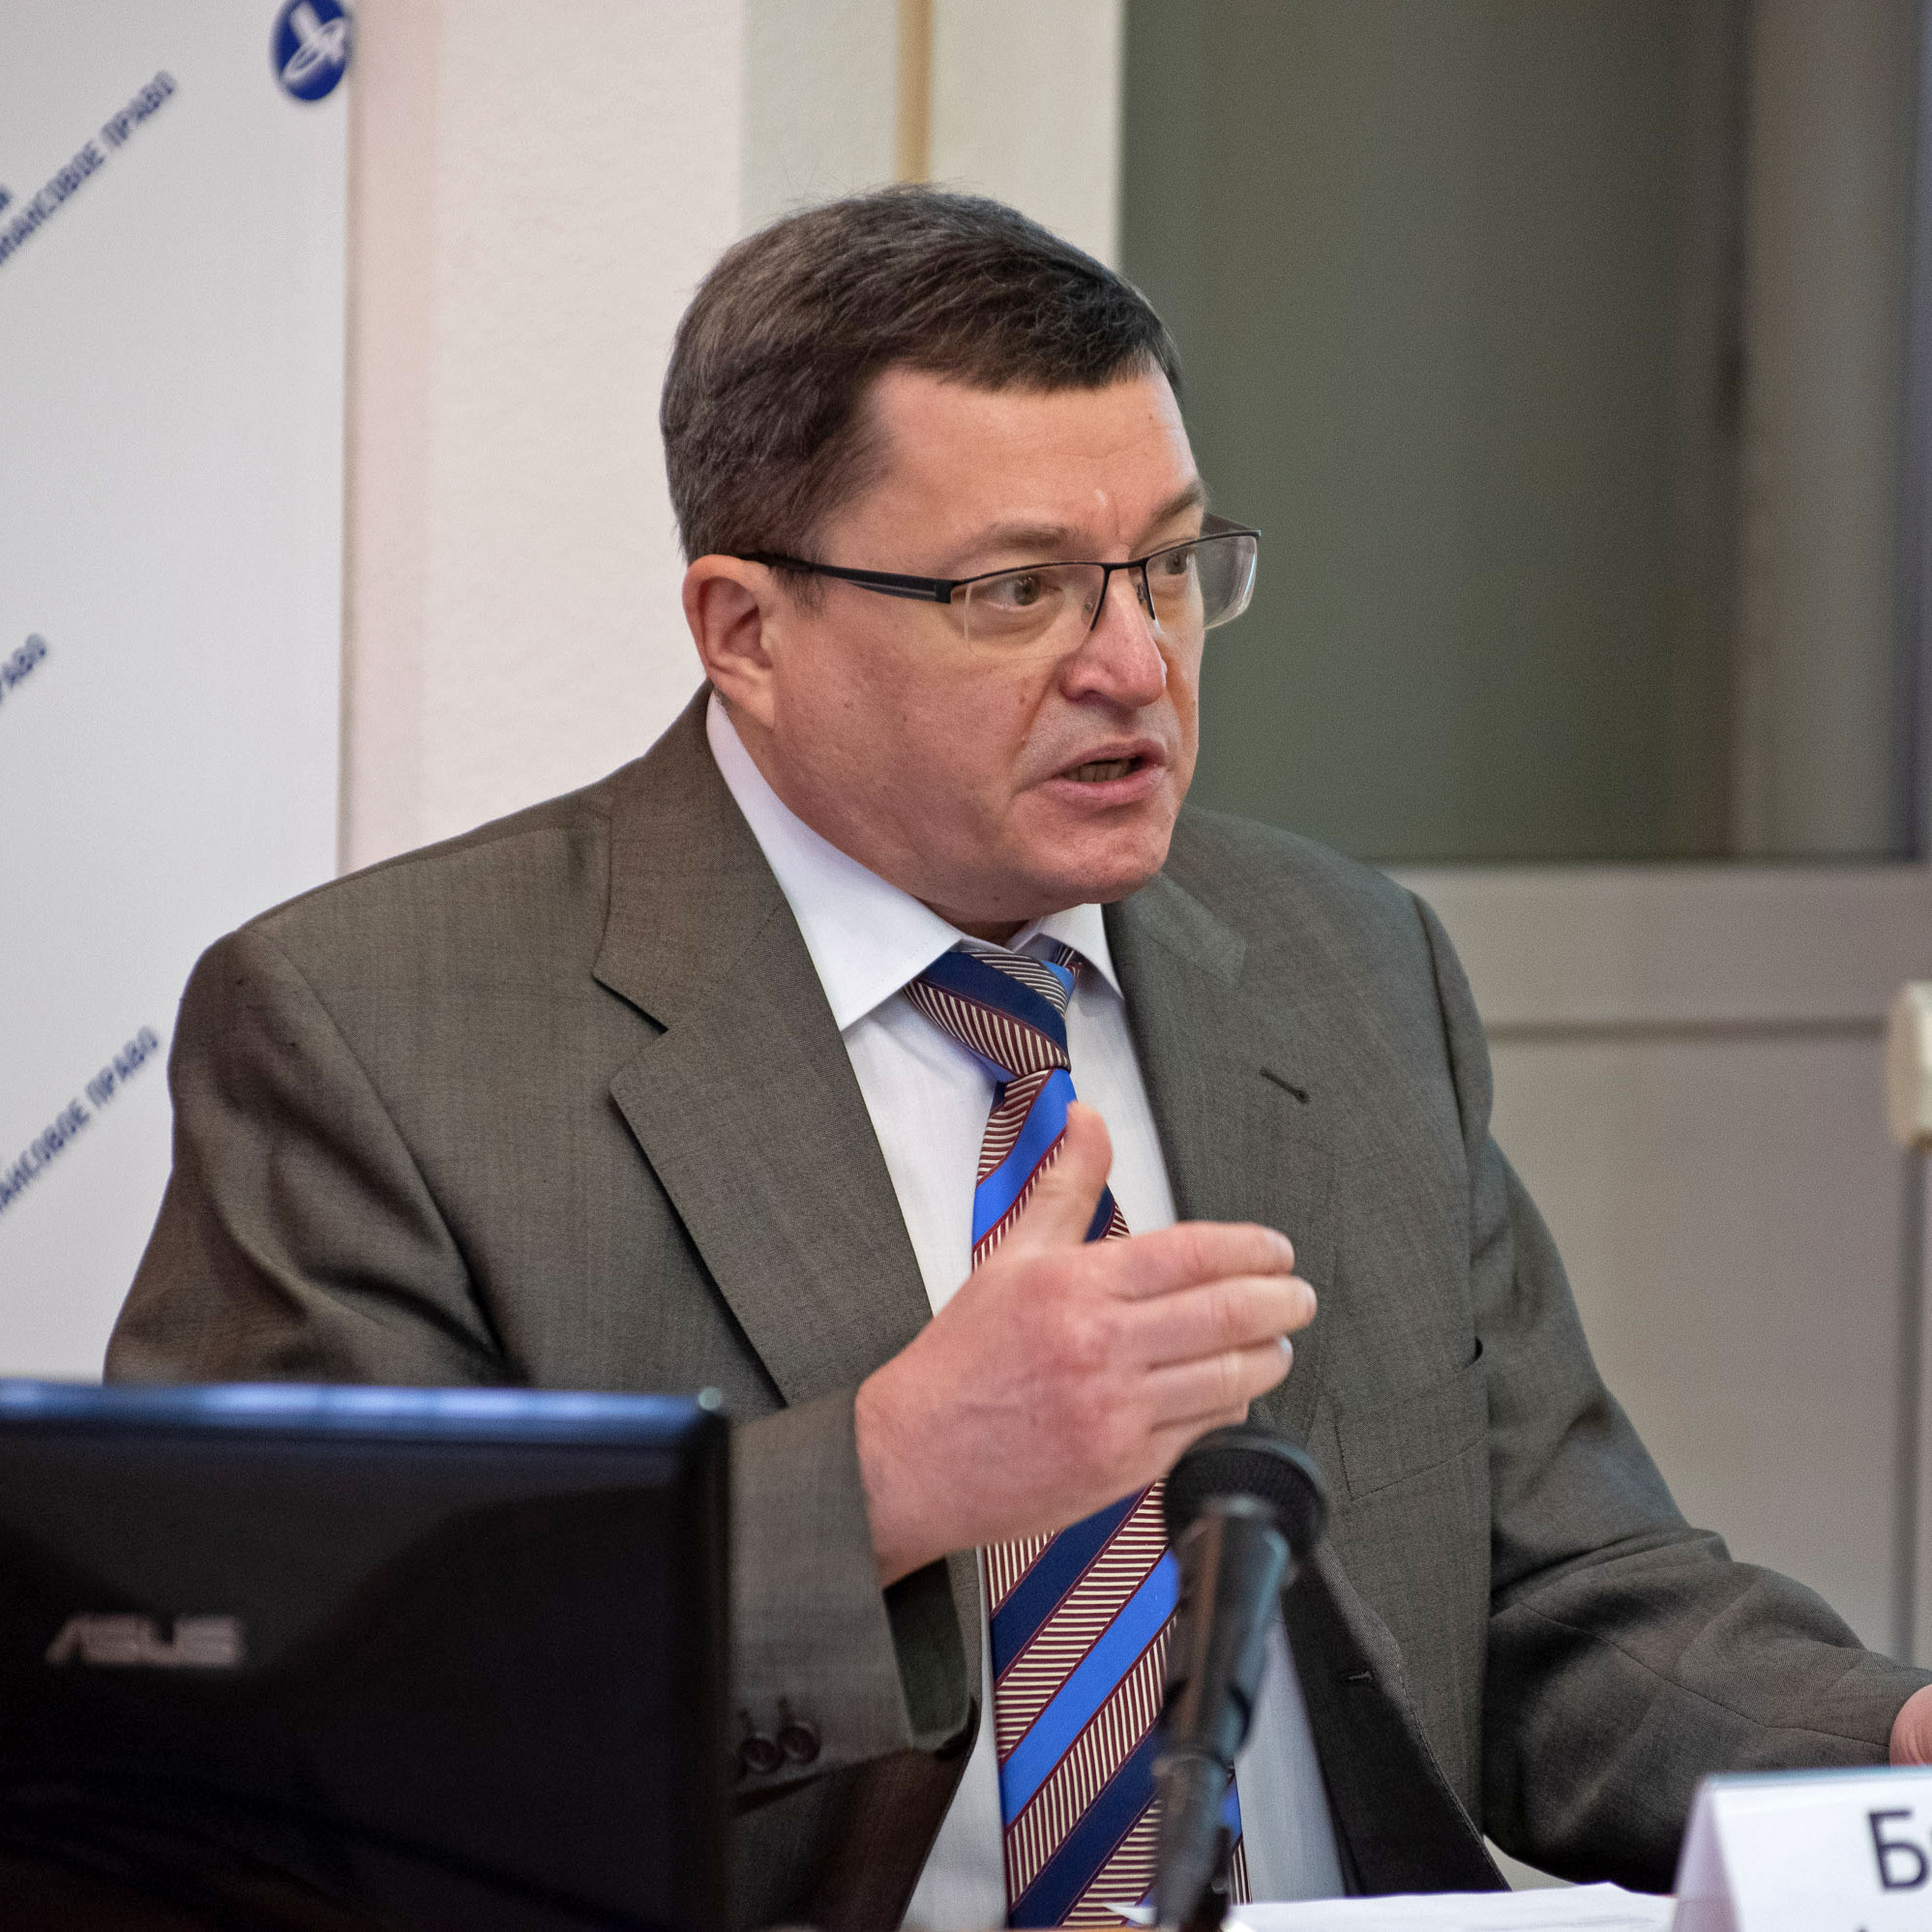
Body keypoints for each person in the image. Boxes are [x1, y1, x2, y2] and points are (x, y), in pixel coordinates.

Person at [108, 189, 1932, 1930]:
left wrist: (1893, 1741)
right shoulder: (382, 1032)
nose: (1134, 663)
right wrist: (886, 1475)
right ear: (746, 629)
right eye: (1016, 591)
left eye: (1170, 568)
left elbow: (1556, 1597)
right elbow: (279, 1716)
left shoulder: (1342, 963)